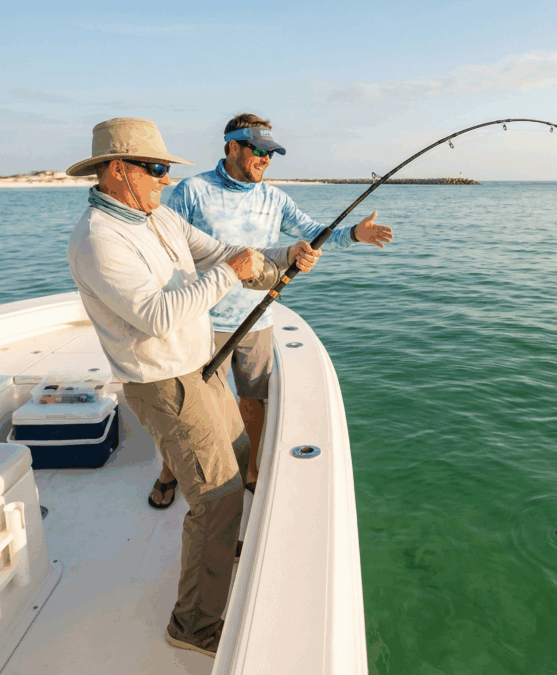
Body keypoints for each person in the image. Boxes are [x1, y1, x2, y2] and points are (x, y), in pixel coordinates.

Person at [64, 118, 320, 656]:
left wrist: (283, 262)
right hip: (163, 383)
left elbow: (222, 254)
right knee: (218, 496)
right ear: (118, 170)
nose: (163, 180)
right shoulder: (98, 240)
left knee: (242, 451)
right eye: (155, 169)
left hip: (199, 364)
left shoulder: (156, 216)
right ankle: (194, 626)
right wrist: (233, 273)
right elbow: (156, 315)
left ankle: (220, 552)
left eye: (164, 169)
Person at [149, 113, 393, 507]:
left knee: (254, 398)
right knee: (190, 406)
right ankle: (169, 470)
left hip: (257, 317)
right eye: (258, 151)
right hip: (201, 320)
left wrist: (354, 235)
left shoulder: (274, 198)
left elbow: (312, 233)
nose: (265, 159)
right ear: (232, 147)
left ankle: (252, 470)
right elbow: (166, 247)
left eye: (271, 153)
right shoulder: (192, 191)